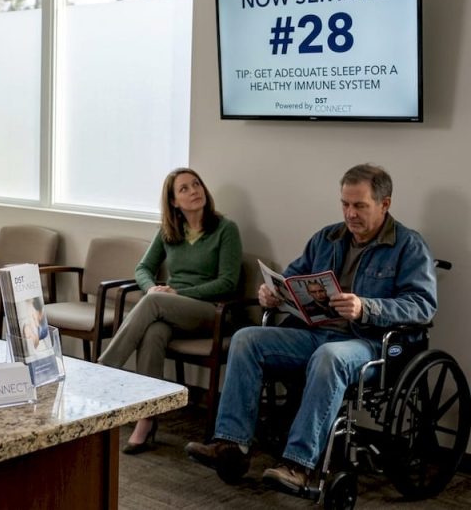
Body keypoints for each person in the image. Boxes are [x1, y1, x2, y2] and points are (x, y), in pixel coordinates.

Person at [185, 164, 437, 496]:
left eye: (359, 206)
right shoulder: (327, 238)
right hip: (315, 333)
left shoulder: (408, 245)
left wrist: (366, 307)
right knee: (247, 339)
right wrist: (272, 294)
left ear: (385, 204)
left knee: (329, 356)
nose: (350, 213)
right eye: (345, 204)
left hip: (368, 343)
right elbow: (291, 279)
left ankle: (298, 465)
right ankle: (231, 446)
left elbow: (422, 306)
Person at [99, 168, 242, 454]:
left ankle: (103, 370)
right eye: (184, 188)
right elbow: (143, 268)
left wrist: (176, 294)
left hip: (211, 311)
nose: (194, 191)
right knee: (154, 331)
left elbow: (228, 282)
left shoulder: (226, 229)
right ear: (174, 201)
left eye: (196, 184)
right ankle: (147, 416)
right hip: (172, 309)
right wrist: (152, 287)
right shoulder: (169, 231)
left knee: (153, 302)